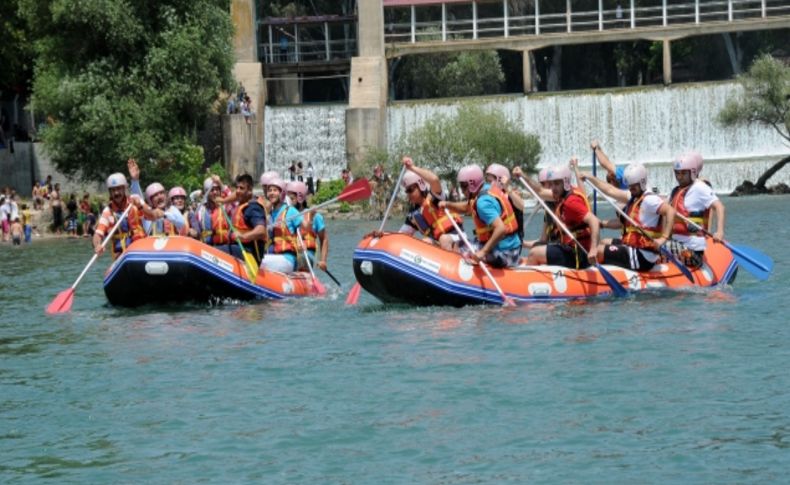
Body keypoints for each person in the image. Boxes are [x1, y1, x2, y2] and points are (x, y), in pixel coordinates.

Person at [585, 163, 675, 271]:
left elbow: (670, 211)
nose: (631, 189)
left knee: (598, 250)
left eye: (633, 186)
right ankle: (605, 267)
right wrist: (590, 178)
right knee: (604, 242)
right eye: (629, 186)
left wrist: (663, 238)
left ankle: (593, 273)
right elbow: (610, 190)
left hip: (643, 256)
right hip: (634, 246)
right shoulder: (635, 196)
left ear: (642, 182)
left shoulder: (649, 200)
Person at [440, 164, 521, 268]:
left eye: (463, 186)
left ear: (471, 184)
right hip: (512, 248)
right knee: (453, 241)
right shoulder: (487, 189)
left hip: (505, 253)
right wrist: (448, 204)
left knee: (456, 246)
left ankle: (457, 276)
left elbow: (500, 229)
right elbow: (467, 207)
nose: (462, 190)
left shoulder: (482, 203)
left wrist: (483, 252)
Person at [525, 165, 601, 268]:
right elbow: (540, 192)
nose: (552, 188)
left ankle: (531, 283)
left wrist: (593, 249)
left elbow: (594, 221)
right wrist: (522, 175)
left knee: (534, 253)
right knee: (537, 249)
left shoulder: (571, 202)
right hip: (568, 247)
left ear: (565, 183)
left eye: (556, 184)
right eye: (551, 184)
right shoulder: (560, 198)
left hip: (577, 253)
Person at [668, 150, 725, 267]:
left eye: (683, 173)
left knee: (660, 245)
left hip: (692, 250)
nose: (679, 177)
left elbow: (719, 207)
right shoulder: (675, 191)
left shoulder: (700, 188)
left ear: (692, 172)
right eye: (677, 173)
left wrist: (719, 232)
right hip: (676, 242)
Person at [93, 173, 162, 260]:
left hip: (140, 249)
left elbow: (152, 216)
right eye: (113, 190)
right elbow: (98, 234)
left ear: (124, 188)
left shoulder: (135, 201)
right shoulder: (108, 212)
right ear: (110, 192)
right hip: (121, 256)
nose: (116, 193)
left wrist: (140, 206)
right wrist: (97, 245)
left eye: (119, 189)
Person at [286, 181, 329, 271]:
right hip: (290, 252)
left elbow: (324, 239)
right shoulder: (285, 215)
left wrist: (323, 260)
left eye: (291, 198)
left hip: (306, 254)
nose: (288, 201)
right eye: (287, 198)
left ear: (300, 198)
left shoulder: (315, 216)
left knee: (301, 258)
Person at [225, 174, 267, 263]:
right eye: (237, 188)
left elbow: (261, 230)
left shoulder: (252, 207)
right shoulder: (243, 203)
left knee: (215, 250)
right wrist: (222, 200)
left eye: (241, 188)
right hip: (238, 248)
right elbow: (233, 197)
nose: (237, 191)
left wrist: (243, 236)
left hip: (248, 252)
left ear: (250, 190)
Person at [263, 177, 302, 272]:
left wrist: (302, 243)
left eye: (275, 190)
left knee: (258, 261)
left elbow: (304, 229)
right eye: (269, 190)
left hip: (287, 258)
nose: (271, 193)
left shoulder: (291, 211)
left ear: (282, 193)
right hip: (274, 256)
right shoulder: (270, 215)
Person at [485, 163, 526, 243]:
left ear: (500, 180)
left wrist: (507, 188)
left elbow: (521, 206)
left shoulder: (510, 194)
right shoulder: (490, 197)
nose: (487, 184)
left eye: (490, 181)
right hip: (499, 239)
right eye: (487, 181)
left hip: (512, 241)